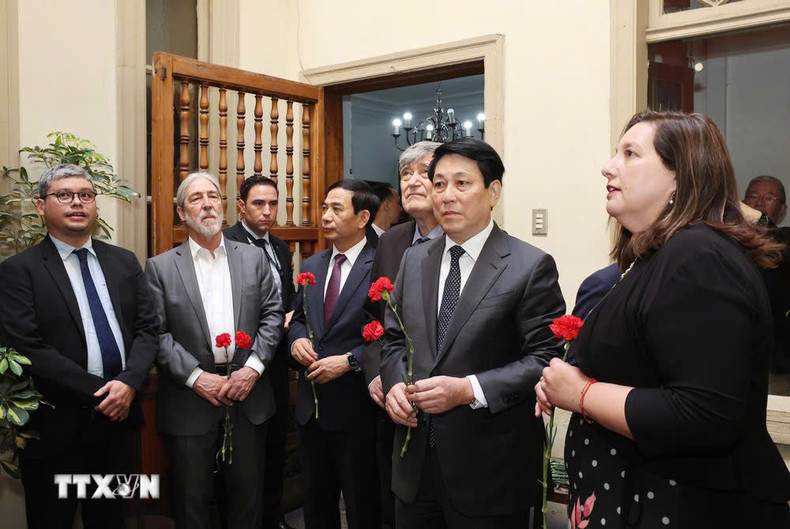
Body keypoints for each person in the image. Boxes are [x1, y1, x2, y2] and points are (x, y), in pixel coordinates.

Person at [536, 111, 790, 527]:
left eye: (630, 153)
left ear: (680, 177)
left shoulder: (698, 256)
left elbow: (703, 414)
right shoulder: (653, 258)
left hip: (687, 507)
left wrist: (580, 394)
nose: (608, 165)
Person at [381, 138, 566, 528]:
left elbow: (545, 359)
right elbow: (394, 339)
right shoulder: (415, 260)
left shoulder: (529, 266)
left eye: (462, 184)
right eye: (440, 184)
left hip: (490, 471)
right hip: (415, 467)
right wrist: (395, 384)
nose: (447, 196)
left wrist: (469, 389)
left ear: (492, 191)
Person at [0, 164, 159, 529]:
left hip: (117, 427)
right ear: (41, 207)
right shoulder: (20, 270)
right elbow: (27, 346)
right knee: (52, 520)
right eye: (64, 195)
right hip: (56, 430)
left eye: (86, 195)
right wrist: (104, 392)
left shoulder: (123, 261)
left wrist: (129, 383)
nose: (77, 203)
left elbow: (149, 329)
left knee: (110, 519)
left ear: (95, 206)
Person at [145, 172, 284, 529]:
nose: (207, 203)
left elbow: (272, 315)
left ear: (223, 206)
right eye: (196, 198)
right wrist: (196, 377)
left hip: (248, 398)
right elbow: (156, 333)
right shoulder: (160, 267)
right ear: (181, 212)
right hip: (190, 402)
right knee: (191, 504)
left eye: (213, 196)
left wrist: (252, 368)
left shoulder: (253, 258)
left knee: (247, 502)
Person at [288, 180, 381, 528]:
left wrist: (350, 361)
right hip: (311, 410)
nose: (325, 216)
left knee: (362, 504)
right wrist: (296, 339)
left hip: (358, 408)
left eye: (336, 209)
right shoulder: (312, 263)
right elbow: (298, 318)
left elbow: (390, 332)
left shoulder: (382, 263)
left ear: (362, 218)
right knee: (316, 503)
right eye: (324, 207)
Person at [363, 141, 442, 528]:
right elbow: (374, 320)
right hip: (392, 408)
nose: (412, 181)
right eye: (405, 173)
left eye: (423, 172)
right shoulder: (392, 241)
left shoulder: (468, 244)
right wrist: (379, 374)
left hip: (448, 411)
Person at [223, 175, 297, 529]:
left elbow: (288, 296)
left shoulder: (280, 247)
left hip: (278, 360)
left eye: (272, 204)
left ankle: (272, 517)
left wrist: (293, 316)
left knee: (275, 441)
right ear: (241, 205)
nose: (267, 212)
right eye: (258, 204)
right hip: (240, 362)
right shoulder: (226, 244)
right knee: (243, 455)